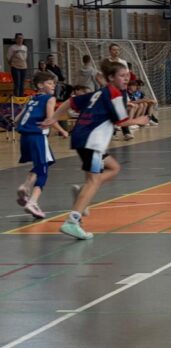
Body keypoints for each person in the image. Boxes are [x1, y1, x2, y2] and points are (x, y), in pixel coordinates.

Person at [42, 59, 150, 241]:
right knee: (94, 181)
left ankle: (81, 193)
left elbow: (70, 102)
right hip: (92, 141)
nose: (126, 79)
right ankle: (72, 222)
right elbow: (121, 122)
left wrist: (54, 117)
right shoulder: (114, 94)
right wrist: (139, 120)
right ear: (111, 77)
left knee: (113, 168)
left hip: (82, 137)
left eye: (127, 76)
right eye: (122, 76)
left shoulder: (101, 92)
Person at [14, 71, 68, 220]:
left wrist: (17, 123)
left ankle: (25, 187)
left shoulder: (32, 98)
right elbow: (50, 118)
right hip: (37, 136)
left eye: (54, 83)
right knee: (43, 169)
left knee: (43, 163)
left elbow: (18, 117)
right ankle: (33, 202)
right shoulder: (50, 98)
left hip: (24, 137)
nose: (53, 86)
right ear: (40, 85)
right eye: (50, 83)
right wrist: (63, 130)